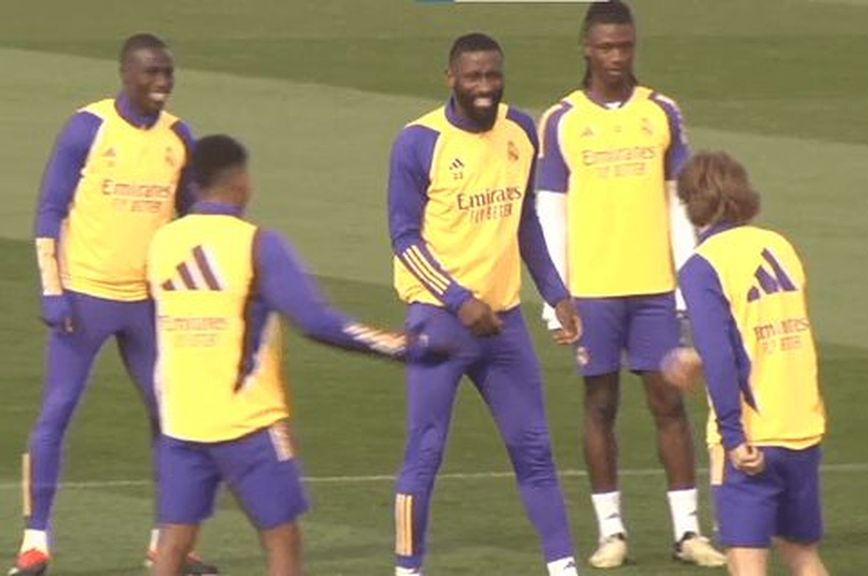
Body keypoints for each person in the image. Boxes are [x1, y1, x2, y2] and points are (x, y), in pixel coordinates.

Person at [149, 134, 442, 576]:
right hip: (246, 423)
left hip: (181, 423)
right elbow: (319, 322)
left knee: (174, 541)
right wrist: (403, 346)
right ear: (242, 182)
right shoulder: (258, 245)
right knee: (281, 538)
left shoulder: (161, 244)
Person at [11, 33, 219, 576]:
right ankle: (35, 541)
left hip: (148, 305)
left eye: (168, 74)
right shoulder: (89, 127)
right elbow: (48, 211)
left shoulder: (179, 137)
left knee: (172, 419)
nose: (162, 84)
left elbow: (194, 222)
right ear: (126, 74)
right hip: (85, 297)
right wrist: (52, 291)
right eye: (152, 73)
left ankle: (166, 545)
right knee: (57, 412)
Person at [535, 0, 724, 568]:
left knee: (669, 403)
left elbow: (679, 203)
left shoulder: (661, 112)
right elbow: (550, 211)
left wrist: (689, 283)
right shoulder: (563, 119)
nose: (618, 57)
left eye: (626, 46)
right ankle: (611, 531)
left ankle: (688, 532)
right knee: (600, 404)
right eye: (608, 47)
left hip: (654, 289)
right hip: (592, 289)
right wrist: (554, 297)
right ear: (587, 48)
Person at [388, 33, 582, 576]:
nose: (484, 87)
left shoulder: (520, 129)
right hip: (438, 324)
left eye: (492, 75)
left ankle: (563, 567)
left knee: (536, 450)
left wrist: (557, 292)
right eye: (472, 77)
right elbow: (404, 237)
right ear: (450, 77)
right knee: (423, 455)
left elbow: (525, 222)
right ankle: (407, 570)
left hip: (504, 323)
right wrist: (456, 299)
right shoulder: (418, 142)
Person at [665, 150, 830, 576]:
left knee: (746, 561)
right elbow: (761, 330)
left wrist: (734, 437)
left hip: (753, 436)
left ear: (690, 203)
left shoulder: (703, 267)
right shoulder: (781, 247)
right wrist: (696, 357)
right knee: (803, 555)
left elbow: (723, 356)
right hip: (802, 426)